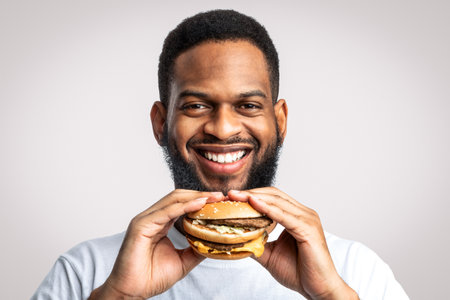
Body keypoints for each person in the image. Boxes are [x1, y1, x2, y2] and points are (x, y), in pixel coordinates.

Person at [31, 10, 409, 300]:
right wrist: (118, 295)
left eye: (247, 106)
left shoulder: (354, 271)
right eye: (196, 106)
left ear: (279, 121)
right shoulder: (86, 271)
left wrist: (330, 295)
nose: (224, 129)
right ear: (161, 123)